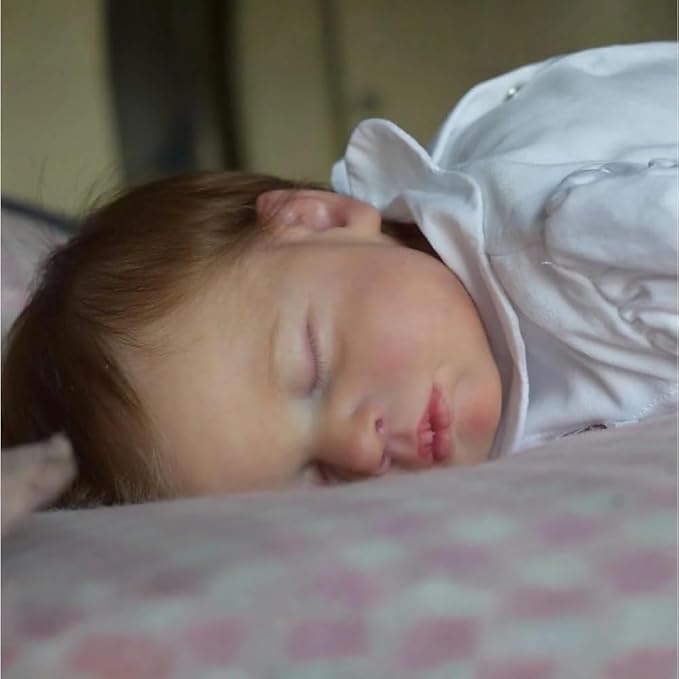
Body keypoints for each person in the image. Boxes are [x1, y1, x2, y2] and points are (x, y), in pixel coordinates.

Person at [2, 42, 676, 508]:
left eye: (314, 368)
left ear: (323, 219)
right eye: (317, 478)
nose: (358, 448)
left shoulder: (565, 242)